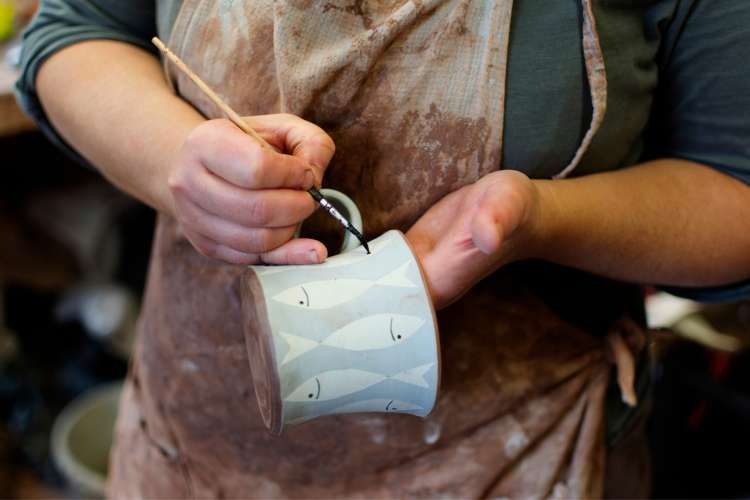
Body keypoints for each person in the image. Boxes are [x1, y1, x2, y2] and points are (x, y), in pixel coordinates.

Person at [16, 0, 750, 498]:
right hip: (193, 450)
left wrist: (536, 221)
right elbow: (74, 32)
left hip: (522, 461)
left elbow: (734, 199)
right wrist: (173, 160)